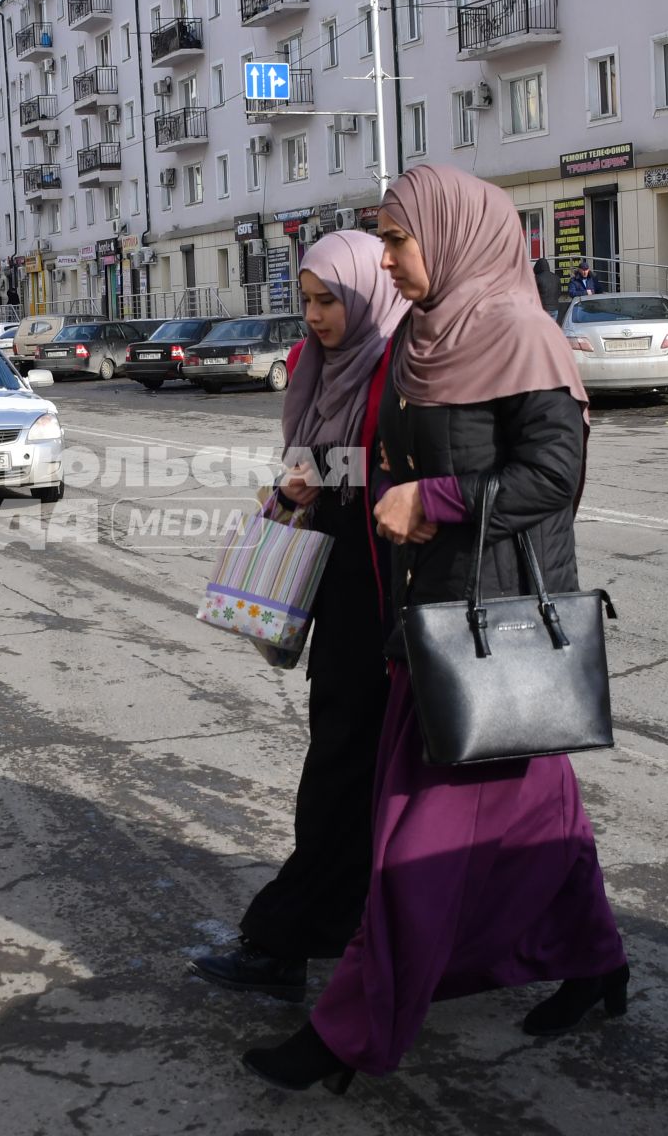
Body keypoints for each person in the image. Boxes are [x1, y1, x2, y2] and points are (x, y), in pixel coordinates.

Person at [243, 165, 627, 1093]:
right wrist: (321, 495)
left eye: (398, 239)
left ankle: (345, 1034)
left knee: (413, 844)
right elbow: (390, 471)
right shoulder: (424, 337)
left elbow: (554, 478)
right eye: (382, 239)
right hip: (430, 623)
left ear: (453, 236)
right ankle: (598, 961)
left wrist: (439, 499)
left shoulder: (523, 335)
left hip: (492, 630)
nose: (388, 256)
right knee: (542, 813)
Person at [189, 231, 408, 1003]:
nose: (314, 317)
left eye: (328, 301)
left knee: (344, 778)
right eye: (307, 301)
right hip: (341, 597)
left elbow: (400, 475)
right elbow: (323, 468)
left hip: (386, 606)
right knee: (351, 775)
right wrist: (289, 494)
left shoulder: (397, 368)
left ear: (365, 296)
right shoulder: (324, 370)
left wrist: (330, 483)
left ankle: (285, 940)